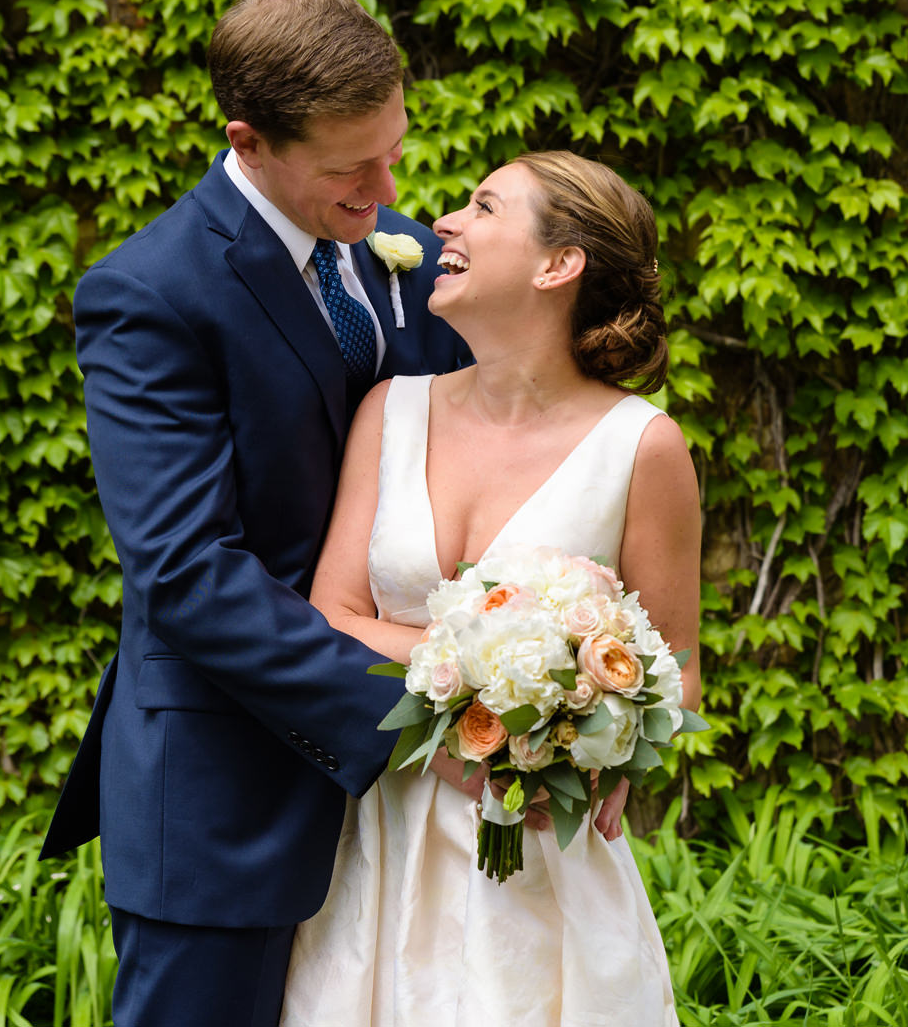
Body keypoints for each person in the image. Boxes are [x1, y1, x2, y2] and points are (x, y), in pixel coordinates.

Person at [38, 0, 473, 1027]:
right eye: (347, 167)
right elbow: (187, 574)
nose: (384, 190)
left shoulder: (401, 253)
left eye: (393, 150)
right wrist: (422, 699)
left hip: (424, 818)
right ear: (250, 140)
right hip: (226, 785)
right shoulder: (149, 293)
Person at [283, 150, 702, 1025]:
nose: (443, 222)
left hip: (540, 848)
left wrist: (599, 727)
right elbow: (328, 615)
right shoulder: (390, 409)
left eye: (483, 207)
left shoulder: (644, 445)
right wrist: (491, 661)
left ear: (559, 264)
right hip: (381, 834)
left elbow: (674, 664)